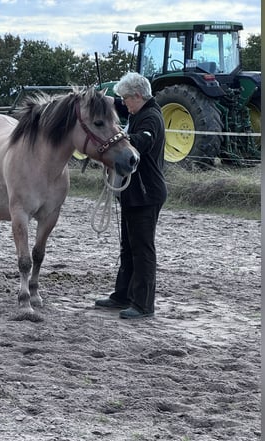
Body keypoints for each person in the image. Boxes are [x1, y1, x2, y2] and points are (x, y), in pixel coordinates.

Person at [95, 72, 168, 319]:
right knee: (128, 246)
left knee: (142, 249)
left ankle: (144, 304)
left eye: (126, 99)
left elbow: (141, 143)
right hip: (134, 192)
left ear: (138, 95)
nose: (124, 103)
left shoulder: (151, 118)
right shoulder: (139, 114)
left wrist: (116, 139)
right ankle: (123, 295)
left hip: (146, 193)